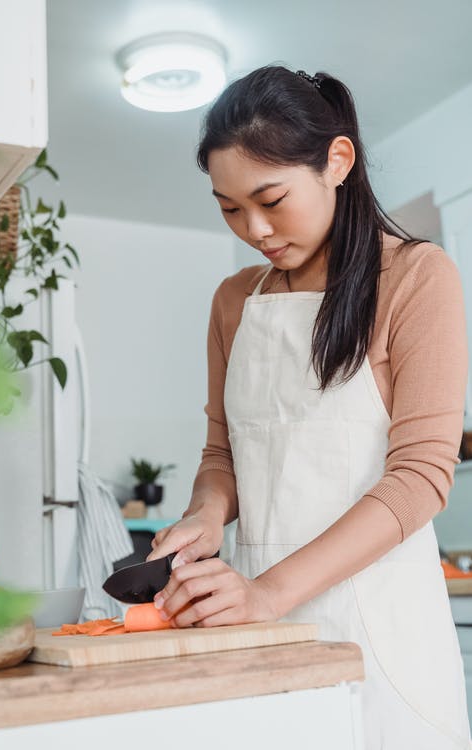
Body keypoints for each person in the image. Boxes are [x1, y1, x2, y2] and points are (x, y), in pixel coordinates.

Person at [146, 65, 471, 748]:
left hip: (378, 626)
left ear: (337, 161)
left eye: (270, 198)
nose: (255, 228)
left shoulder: (417, 277)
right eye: (229, 207)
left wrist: (270, 592)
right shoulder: (235, 301)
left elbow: (421, 477)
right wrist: (205, 517)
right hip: (255, 623)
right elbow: (222, 454)